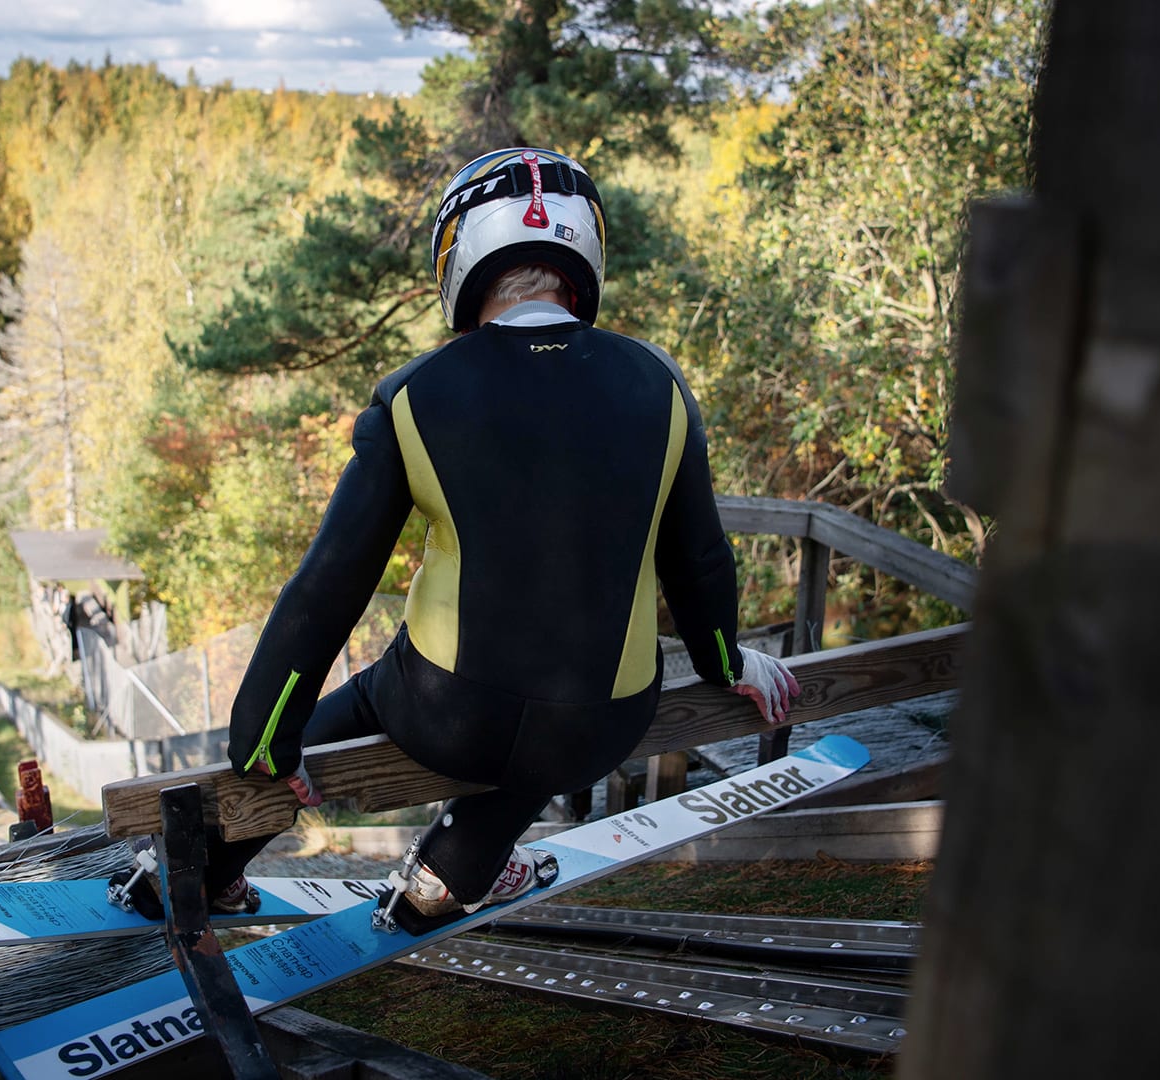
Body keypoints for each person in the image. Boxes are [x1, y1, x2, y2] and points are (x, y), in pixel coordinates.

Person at [212, 147, 801, 930]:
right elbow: (697, 559)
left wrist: (263, 733)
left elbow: (330, 586)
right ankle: (446, 877)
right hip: (607, 721)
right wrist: (728, 659)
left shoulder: (415, 396)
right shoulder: (661, 387)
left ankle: (206, 868)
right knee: (567, 707)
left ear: (459, 255)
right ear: (582, 253)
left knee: (381, 691)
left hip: (448, 714)